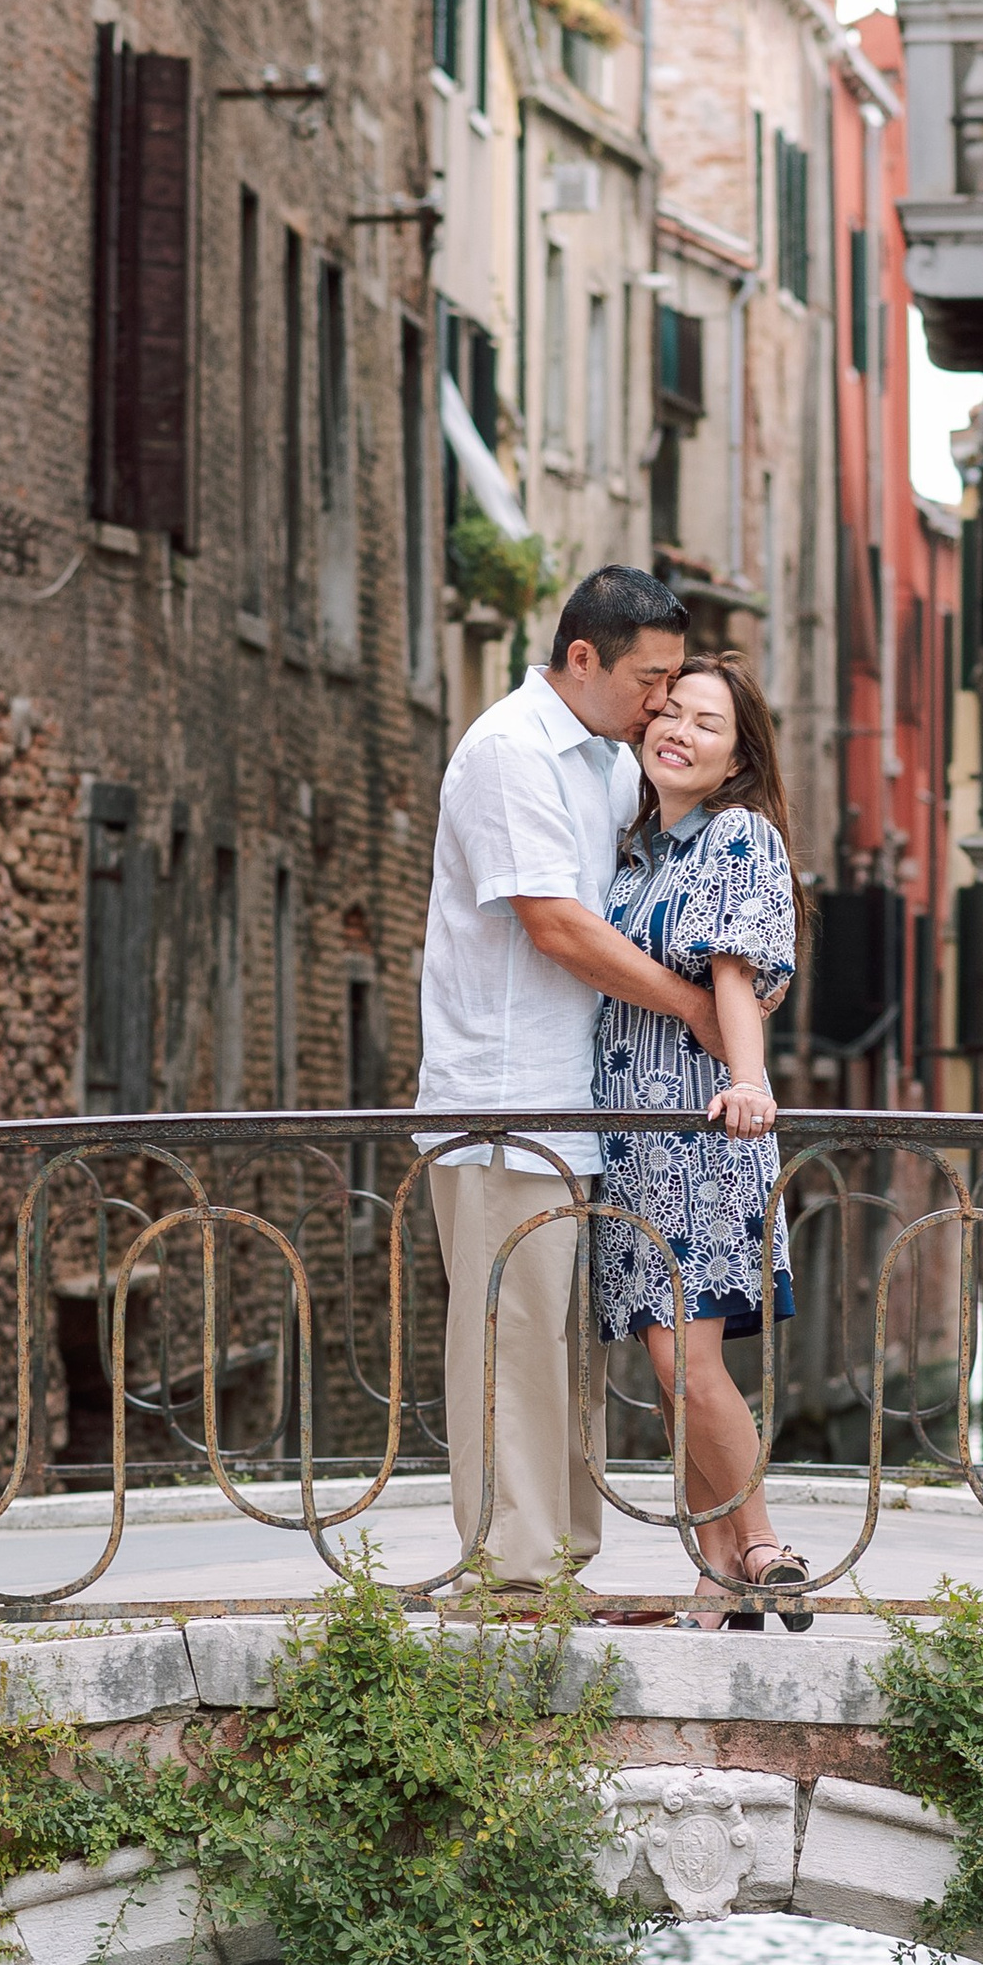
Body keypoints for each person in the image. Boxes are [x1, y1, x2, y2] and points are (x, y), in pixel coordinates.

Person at [415, 565, 720, 1603]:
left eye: (674, 681)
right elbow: (555, 925)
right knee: (511, 1344)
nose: (662, 703)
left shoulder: (603, 760)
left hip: (580, 1107)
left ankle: (558, 1568)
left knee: (568, 1350)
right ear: (581, 658)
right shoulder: (509, 750)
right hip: (504, 1106)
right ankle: (510, 1577)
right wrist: (693, 1008)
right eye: (649, 680)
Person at [591, 655, 813, 1632]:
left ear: (736, 758)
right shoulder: (639, 850)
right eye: (669, 711)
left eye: (706, 723)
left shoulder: (737, 833)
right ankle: (717, 1575)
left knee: (688, 1362)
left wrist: (750, 1081)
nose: (678, 730)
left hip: (703, 1134)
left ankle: (762, 1545)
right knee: (668, 1369)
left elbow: (735, 972)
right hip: (631, 1145)